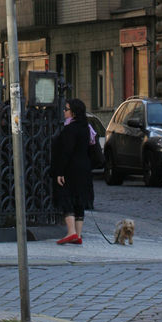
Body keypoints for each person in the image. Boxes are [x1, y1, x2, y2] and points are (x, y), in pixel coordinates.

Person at [49, 97, 95, 245]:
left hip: (71, 169)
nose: (64, 111)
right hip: (84, 168)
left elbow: (66, 151)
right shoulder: (86, 128)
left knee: (66, 197)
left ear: (74, 112)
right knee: (79, 200)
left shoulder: (70, 129)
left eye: (66, 109)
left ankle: (71, 232)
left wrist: (59, 172)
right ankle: (78, 234)